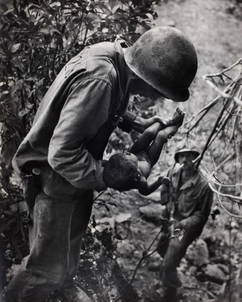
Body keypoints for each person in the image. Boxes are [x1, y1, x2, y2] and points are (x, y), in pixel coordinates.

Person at [3, 26, 198, 302]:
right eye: (162, 92)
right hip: (54, 180)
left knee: (66, 261)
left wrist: (136, 123)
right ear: (149, 79)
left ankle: (62, 286)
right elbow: (62, 154)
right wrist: (108, 174)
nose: (160, 99)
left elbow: (103, 105)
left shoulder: (113, 59)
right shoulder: (102, 79)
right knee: (44, 271)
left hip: (70, 180)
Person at [157, 147, 213, 301]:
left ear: (196, 159)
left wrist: (183, 224)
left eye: (189, 156)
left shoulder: (204, 184)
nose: (185, 160)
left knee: (173, 251)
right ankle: (167, 267)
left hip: (187, 226)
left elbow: (202, 215)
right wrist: (165, 203)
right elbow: (165, 186)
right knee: (161, 245)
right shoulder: (174, 171)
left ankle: (169, 288)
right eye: (181, 156)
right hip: (171, 215)